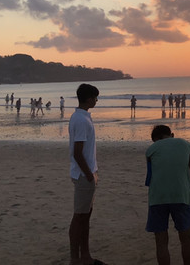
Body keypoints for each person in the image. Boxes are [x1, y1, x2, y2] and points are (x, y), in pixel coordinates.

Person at [145, 125, 190, 265]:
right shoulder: (185, 144)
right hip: (181, 195)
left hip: (157, 198)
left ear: (155, 140)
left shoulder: (151, 150)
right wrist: (186, 181)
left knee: (161, 242)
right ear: (172, 134)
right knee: (186, 239)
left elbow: (150, 177)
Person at [68, 83, 105, 265]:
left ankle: (85, 256)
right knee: (79, 217)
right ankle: (76, 258)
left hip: (87, 172)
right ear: (89, 98)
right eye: (95, 97)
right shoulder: (81, 120)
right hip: (84, 175)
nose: (96, 100)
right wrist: (89, 175)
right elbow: (77, 152)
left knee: (85, 216)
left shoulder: (82, 117)